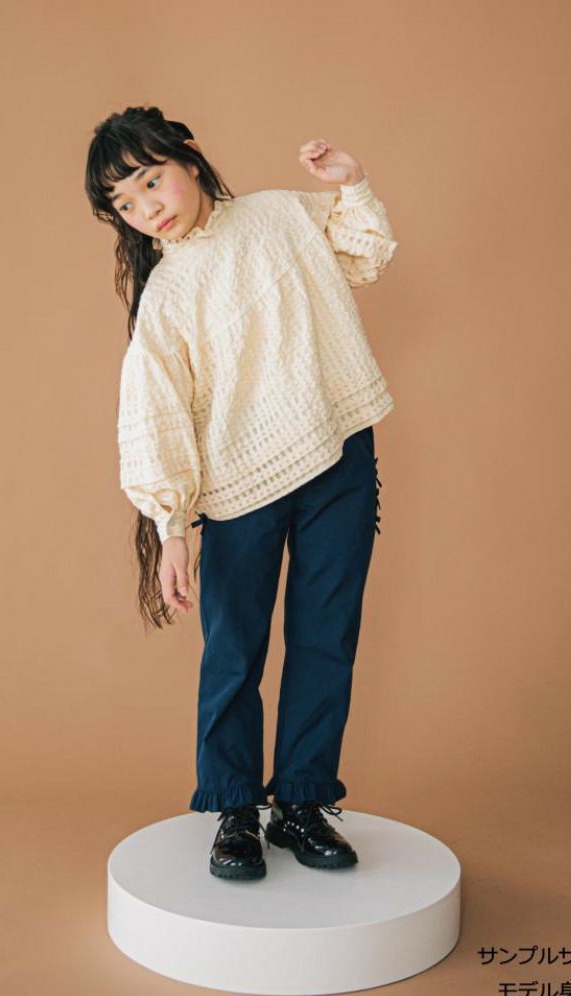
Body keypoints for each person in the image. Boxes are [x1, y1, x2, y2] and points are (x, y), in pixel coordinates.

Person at [84, 105, 398, 880]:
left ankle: (302, 803)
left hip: (338, 455)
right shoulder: (166, 293)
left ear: (188, 159)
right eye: (125, 202)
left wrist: (351, 182)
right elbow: (157, 413)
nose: (146, 206)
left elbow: (363, 256)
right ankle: (234, 810)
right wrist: (171, 528)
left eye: (150, 180)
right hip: (238, 484)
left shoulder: (279, 216)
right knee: (234, 652)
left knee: (327, 637)